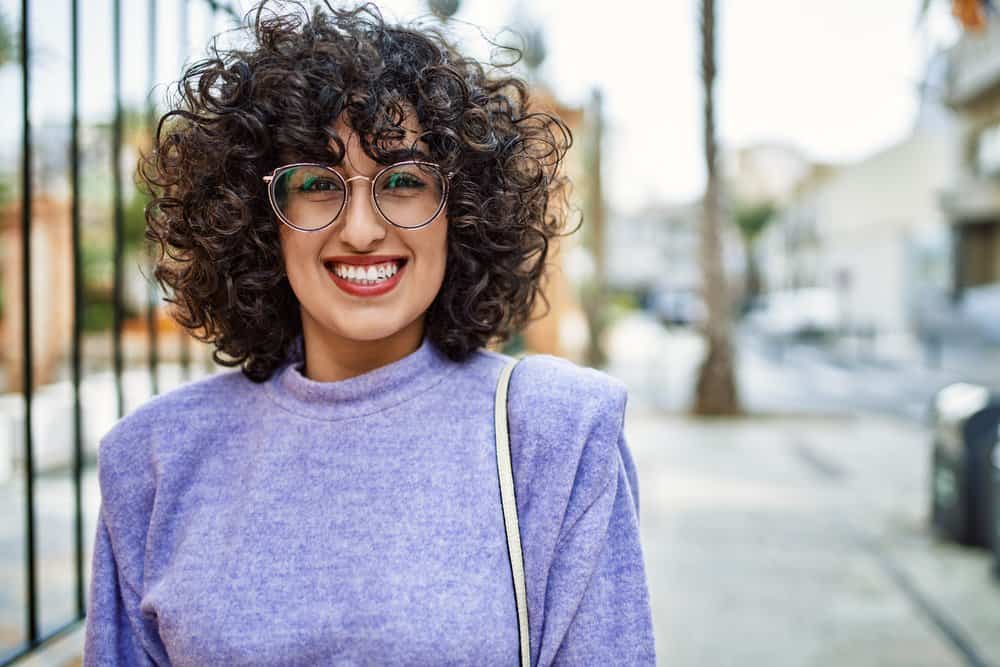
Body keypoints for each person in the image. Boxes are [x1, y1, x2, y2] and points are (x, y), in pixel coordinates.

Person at [83, 1, 656, 664]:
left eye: (405, 179)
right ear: (260, 213)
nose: (360, 228)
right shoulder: (153, 459)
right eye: (316, 181)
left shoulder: (559, 437)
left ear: (462, 209)